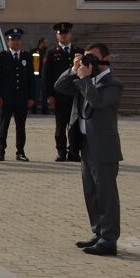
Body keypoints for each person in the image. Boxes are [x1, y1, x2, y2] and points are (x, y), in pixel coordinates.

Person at [55, 42, 123, 256]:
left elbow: (97, 101)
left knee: (106, 194)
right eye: (86, 58)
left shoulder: (113, 84)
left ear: (105, 59)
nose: (88, 62)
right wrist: (74, 69)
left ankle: (109, 239)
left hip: (104, 147)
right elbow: (60, 87)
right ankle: (98, 232)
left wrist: (84, 78)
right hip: (85, 145)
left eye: (92, 58)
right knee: (91, 193)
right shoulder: (86, 79)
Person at [44, 22, 84, 161]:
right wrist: (49, 95)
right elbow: (47, 76)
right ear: (57, 35)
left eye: (66, 33)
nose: (63, 35)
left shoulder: (78, 52)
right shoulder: (52, 53)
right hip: (59, 95)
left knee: (75, 125)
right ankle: (61, 151)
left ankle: (73, 151)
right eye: (61, 33)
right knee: (60, 126)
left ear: (70, 34)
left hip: (76, 95)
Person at [0, 27, 34, 161]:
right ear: (8, 41)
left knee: (21, 126)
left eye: (18, 39)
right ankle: (1, 151)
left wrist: (31, 97)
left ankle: (20, 152)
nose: (16, 42)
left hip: (21, 98)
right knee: (4, 125)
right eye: (13, 39)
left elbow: (31, 78)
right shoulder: (2, 56)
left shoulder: (26, 56)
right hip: (6, 98)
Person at [32, 38, 51, 114]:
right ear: (41, 43)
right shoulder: (34, 51)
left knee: (45, 94)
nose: (47, 44)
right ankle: (34, 109)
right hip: (36, 76)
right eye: (45, 43)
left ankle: (45, 109)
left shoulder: (47, 52)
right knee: (36, 93)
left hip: (45, 75)